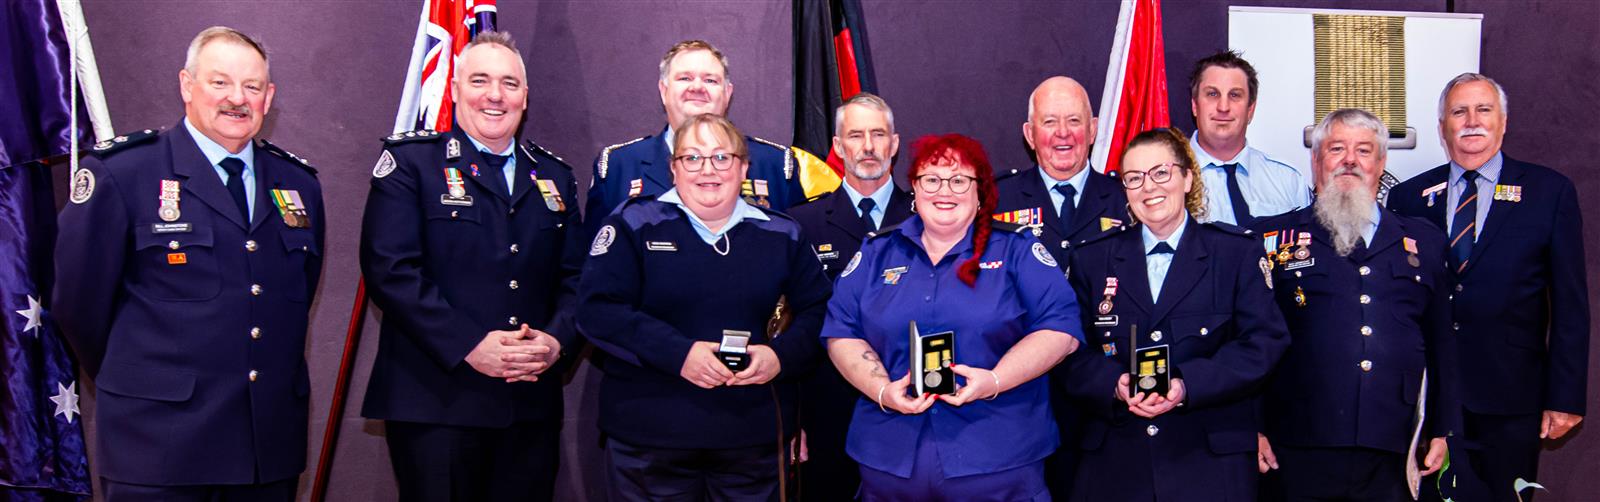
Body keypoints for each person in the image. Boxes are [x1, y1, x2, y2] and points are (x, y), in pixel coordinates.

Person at [53, 26, 323, 500]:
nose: (237, 98)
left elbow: (290, 297)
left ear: (269, 96)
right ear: (186, 85)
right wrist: (148, 383)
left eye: (252, 86)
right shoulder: (122, 173)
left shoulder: (298, 183)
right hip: (159, 447)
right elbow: (79, 308)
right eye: (219, 82)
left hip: (265, 452)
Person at [358, 32, 583, 502]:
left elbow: (578, 279)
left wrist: (555, 341)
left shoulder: (554, 176)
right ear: (456, 89)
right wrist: (469, 346)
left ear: (525, 96)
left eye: (509, 83)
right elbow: (390, 269)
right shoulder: (410, 164)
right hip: (437, 400)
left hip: (529, 403)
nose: (495, 95)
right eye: (479, 80)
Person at [578, 114, 831, 502]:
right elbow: (598, 310)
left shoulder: (782, 233)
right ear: (673, 168)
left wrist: (780, 357)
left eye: (721, 157)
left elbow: (822, 312)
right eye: (692, 158)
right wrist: (680, 354)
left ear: (744, 167)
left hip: (752, 443)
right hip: (649, 443)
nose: (707, 170)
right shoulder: (633, 223)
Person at [822, 133, 1082, 501]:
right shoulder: (878, 251)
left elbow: (1061, 328)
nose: (945, 190)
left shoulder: (1017, 250)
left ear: (981, 193)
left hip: (999, 465)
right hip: (889, 465)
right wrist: (882, 390)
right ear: (914, 187)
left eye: (959, 180)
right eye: (931, 179)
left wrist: (994, 379)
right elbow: (840, 330)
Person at [1387, 73, 1588, 502]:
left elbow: (1571, 304)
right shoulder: (1408, 198)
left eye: (1483, 110)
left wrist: (1565, 396)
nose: (1471, 121)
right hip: (1429, 399)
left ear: (1503, 121)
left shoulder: (1549, 193)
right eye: (1459, 112)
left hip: (1512, 399)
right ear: (1442, 126)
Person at [1060, 128, 1289, 501]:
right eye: (1134, 178)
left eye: (1161, 172)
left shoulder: (1235, 253)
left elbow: (1264, 342)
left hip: (1208, 461)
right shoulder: (1091, 259)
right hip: (1117, 463)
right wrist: (1113, 385)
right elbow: (1069, 352)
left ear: (1187, 177)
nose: (1149, 187)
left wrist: (1186, 385)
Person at [1254, 108, 1459, 501]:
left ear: (1380, 164)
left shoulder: (1423, 240)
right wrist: (1253, 426)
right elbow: (1250, 342)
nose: (1350, 160)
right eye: (1336, 148)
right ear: (1316, 162)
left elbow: (1441, 344)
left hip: (1390, 442)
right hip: (1298, 441)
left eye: (1364, 150)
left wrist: (1443, 428)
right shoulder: (1272, 238)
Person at [993, 75, 1128, 498]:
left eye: (1074, 121)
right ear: (1030, 135)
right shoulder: (996, 200)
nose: (1064, 134)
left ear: (1093, 128)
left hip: (1107, 396)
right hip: (1022, 393)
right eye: (1050, 122)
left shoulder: (1127, 196)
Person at [786, 92, 913, 500]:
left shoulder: (927, 216)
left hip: (912, 401)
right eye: (856, 135)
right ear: (838, 147)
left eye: (879, 134)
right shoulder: (799, 223)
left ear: (895, 144)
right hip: (826, 407)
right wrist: (790, 418)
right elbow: (786, 327)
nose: (869, 146)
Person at [586, 39, 803, 236]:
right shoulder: (618, 167)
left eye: (710, 80)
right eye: (684, 78)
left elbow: (797, 254)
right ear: (663, 90)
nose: (697, 87)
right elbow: (593, 265)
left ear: (727, 93)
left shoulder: (774, 165)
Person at [1187, 50, 1310, 226]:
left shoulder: (1288, 180)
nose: (1223, 107)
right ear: (1195, 106)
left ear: (1250, 110)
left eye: (1234, 95)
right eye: (1212, 94)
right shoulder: (1163, 179)